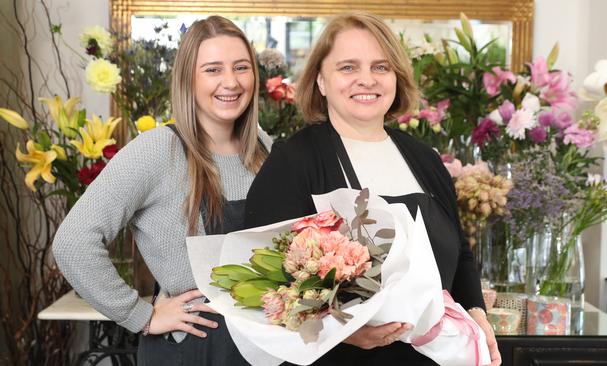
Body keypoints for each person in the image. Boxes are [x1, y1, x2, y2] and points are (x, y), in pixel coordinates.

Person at [245, 12, 501, 366]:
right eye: (348, 67)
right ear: (320, 80)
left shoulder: (424, 159)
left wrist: (476, 311)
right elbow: (263, 284)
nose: (366, 80)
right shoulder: (293, 162)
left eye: (380, 67)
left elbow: (460, 251)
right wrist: (341, 331)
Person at [53, 16, 269, 365]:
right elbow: (73, 242)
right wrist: (142, 315)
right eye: (213, 69)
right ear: (188, 79)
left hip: (264, 346)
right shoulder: (158, 150)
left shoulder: (263, 148)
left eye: (241, 67)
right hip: (194, 349)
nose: (231, 82)